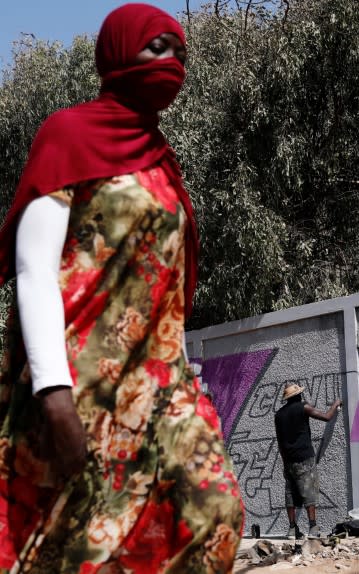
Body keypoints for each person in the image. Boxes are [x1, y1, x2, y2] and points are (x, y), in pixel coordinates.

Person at [0, 4, 243, 572]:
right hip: (79, 383)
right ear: (116, 53)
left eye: (180, 52)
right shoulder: (67, 136)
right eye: (157, 47)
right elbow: (32, 267)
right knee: (77, 547)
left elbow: (167, 287)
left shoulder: (163, 164)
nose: (172, 62)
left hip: (162, 386)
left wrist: (186, 370)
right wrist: (53, 393)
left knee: (216, 511)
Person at [275, 383, 341, 540]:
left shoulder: (279, 415)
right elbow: (327, 417)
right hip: (304, 457)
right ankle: (313, 527)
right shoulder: (303, 407)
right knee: (309, 492)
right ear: (298, 396)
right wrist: (336, 403)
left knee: (290, 494)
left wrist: (285, 463)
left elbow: (280, 441)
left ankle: (292, 529)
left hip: (288, 460)